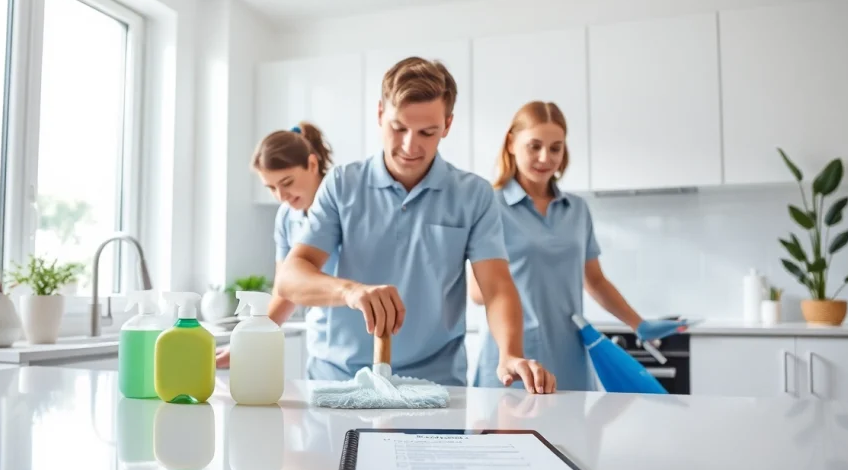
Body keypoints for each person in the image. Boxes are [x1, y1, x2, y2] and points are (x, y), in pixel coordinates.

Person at [273, 57, 556, 393]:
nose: (410, 145)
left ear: (447, 125)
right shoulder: (341, 185)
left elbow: (496, 286)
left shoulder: (473, 195)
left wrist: (510, 353)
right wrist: (351, 292)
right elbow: (290, 278)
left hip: (434, 387)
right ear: (380, 114)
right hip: (336, 381)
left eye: (427, 132)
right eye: (399, 128)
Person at [469, 101, 686, 391]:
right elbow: (478, 293)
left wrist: (639, 324)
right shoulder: (489, 206)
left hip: (569, 354)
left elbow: (595, 281)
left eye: (555, 148)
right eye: (534, 146)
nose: (545, 158)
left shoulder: (577, 210)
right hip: (515, 358)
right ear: (511, 143)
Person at [216, 122, 337, 369]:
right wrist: (245, 344)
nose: (281, 196)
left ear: (312, 165)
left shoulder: (342, 201)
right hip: (322, 351)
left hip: (361, 341)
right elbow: (285, 288)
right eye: (271, 187)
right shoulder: (286, 216)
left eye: (287, 182)